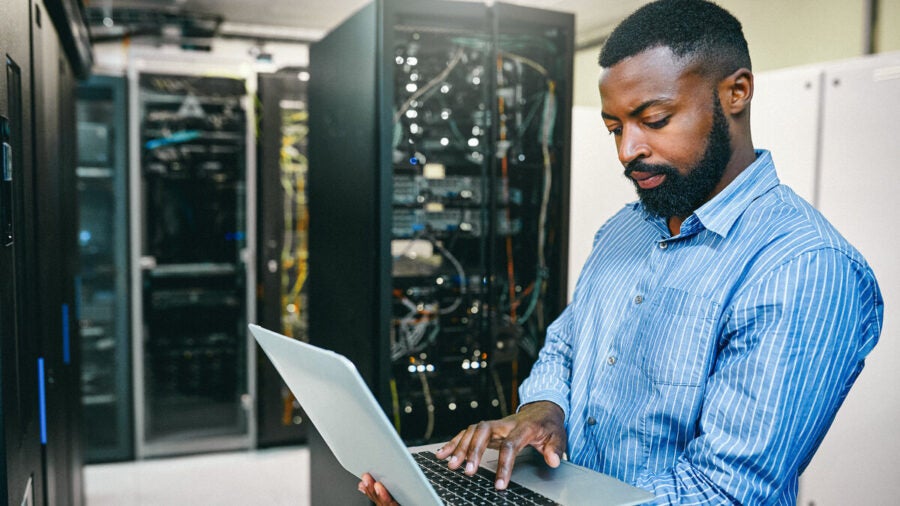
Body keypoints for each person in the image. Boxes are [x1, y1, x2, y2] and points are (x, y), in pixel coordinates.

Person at [360, 0, 884, 503]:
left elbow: (723, 494)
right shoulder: (625, 230)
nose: (627, 150)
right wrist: (543, 409)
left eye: (653, 120)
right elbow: (565, 347)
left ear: (737, 92)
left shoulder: (804, 268)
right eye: (614, 127)